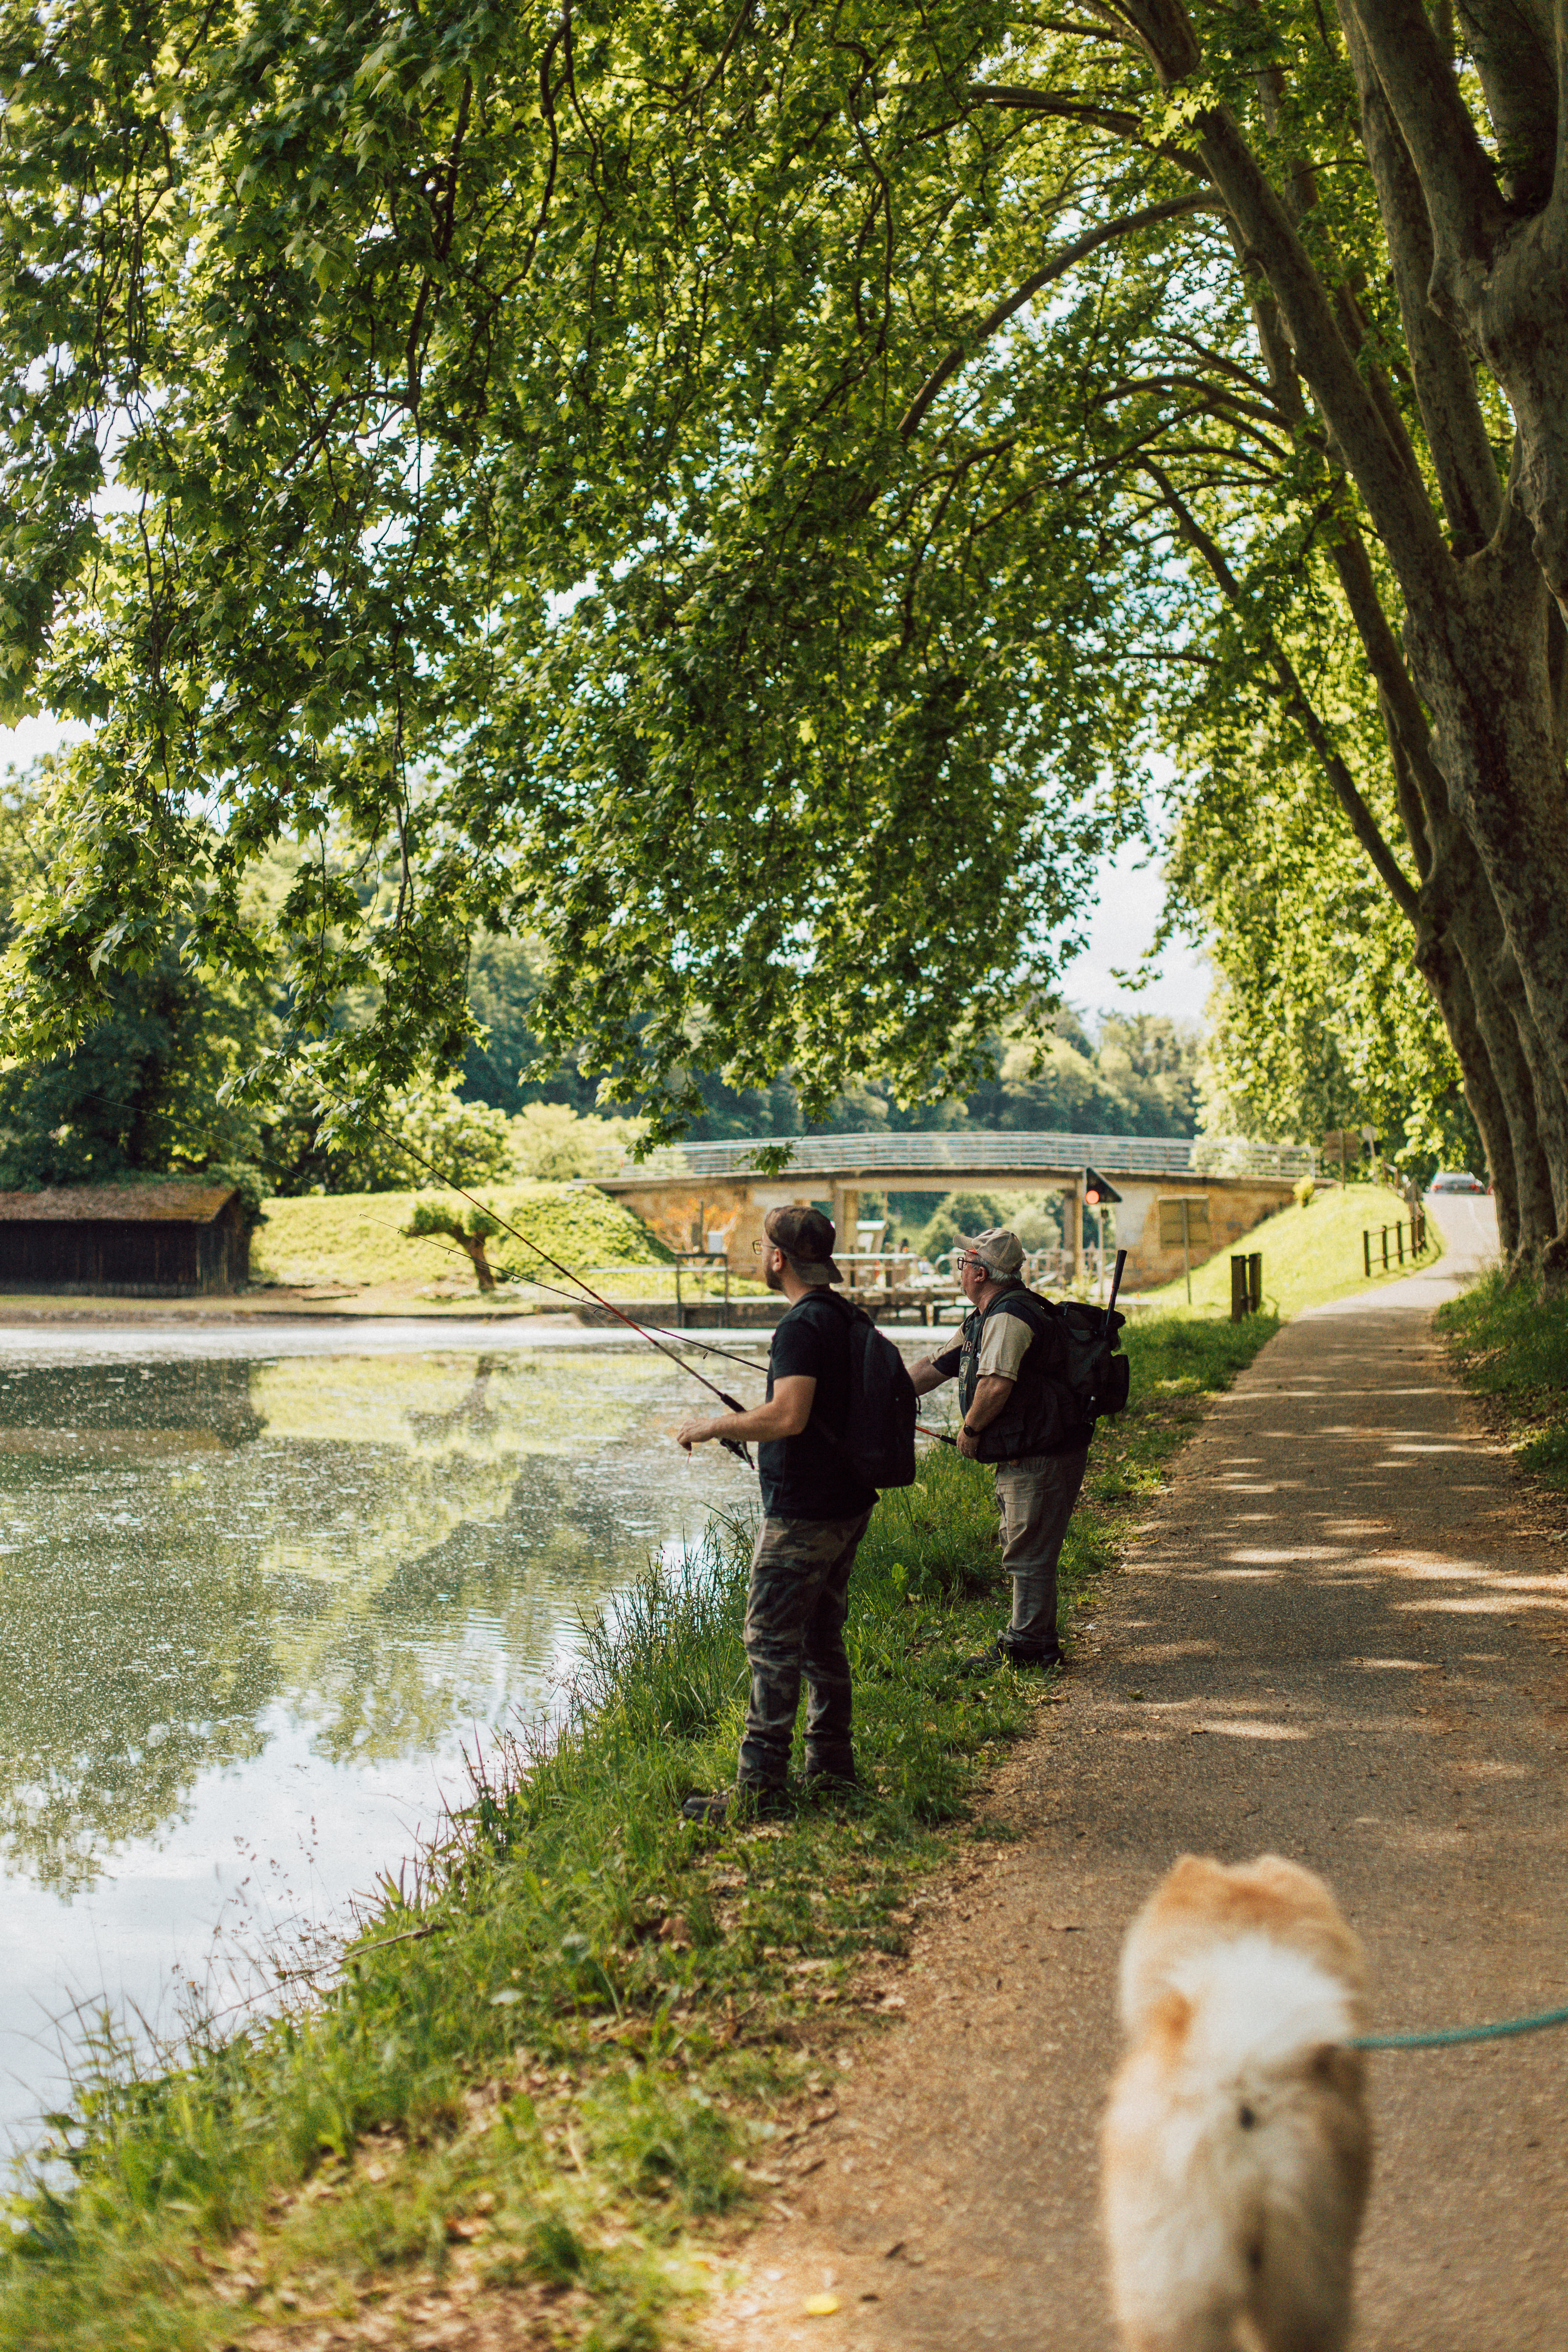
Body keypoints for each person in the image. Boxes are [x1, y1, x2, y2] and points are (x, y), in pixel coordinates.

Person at [674, 1203, 877, 1821]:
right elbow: (820, 1415)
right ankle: (831, 1767)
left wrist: (715, 1425)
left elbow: (788, 1415)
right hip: (846, 1504)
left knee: (770, 1641)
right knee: (821, 1638)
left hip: (806, 1512)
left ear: (779, 1257)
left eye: (763, 1246)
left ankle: (761, 1789)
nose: (761, 1255)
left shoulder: (799, 1328)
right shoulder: (848, 1317)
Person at [909, 1227, 1090, 1672]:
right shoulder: (984, 1317)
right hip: (1026, 1452)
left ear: (980, 1273)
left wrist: (970, 1429)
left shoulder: (1009, 1318)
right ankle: (1032, 1639)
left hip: (1042, 1455)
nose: (959, 1271)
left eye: (963, 1264)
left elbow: (995, 1384)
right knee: (1023, 1544)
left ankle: (1031, 1648)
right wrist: (876, 1393)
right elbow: (935, 1367)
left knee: (1028, 1550)